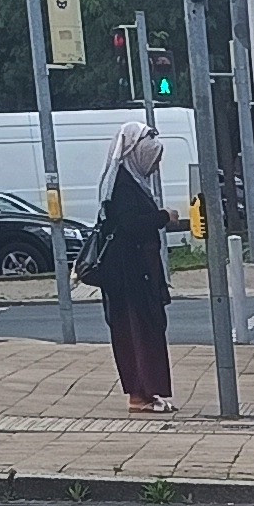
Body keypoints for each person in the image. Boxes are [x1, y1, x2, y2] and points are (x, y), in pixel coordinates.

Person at [90, 120, 174, 414]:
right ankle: (139, 394)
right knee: (136, 332)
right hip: (128, 274)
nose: (154, 168)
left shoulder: (130, 183)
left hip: (137, 271)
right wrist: (163, 216)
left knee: (148, 330)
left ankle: (150, 392)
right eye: (153, 160)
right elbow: (130, 225)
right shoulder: (123, 188)